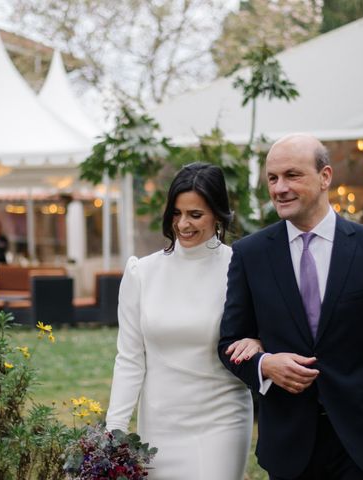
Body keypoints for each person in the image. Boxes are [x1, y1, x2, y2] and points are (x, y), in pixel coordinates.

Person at [219, 134, 363, 480]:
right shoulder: (250, 254)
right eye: (272, 178)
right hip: (289, 448)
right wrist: (264, 364)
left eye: (292, 175)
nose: (280, 188)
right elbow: (229, 343)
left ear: (325, 177)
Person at [105, 163, 259, 480]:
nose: (183, 224)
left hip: (222, 420)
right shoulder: (141, 272)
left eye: (195, 215)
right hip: (159, 425)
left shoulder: (240, 267)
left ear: (218, 214)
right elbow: (130, 359)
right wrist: (114, 431)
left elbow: (267, 328)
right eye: (176, 213)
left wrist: (259, 340)